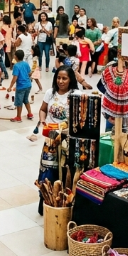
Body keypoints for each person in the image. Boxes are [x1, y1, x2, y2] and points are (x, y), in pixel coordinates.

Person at [36, 66, 82, 215]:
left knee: (65, 171)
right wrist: (43, 122)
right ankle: (46, 202)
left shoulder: (76, 95)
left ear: (71, 80)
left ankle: (64, 204)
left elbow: (80, 119)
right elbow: (43, 109)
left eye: (65, 78)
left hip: (67, 140)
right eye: (59, 78)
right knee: (48, 170)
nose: (61, 81)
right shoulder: (50, 93)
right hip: (50, 139)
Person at [7, 50, 34, 123]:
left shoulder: (16, 66)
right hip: (28, 85)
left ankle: (18, 117)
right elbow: (30, 73)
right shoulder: (26, 64)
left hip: (21, 86)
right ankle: (30, 114)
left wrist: (10, 87)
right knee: (26, 100)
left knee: (19, 102)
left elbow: (15, 78)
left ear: (15, 56)